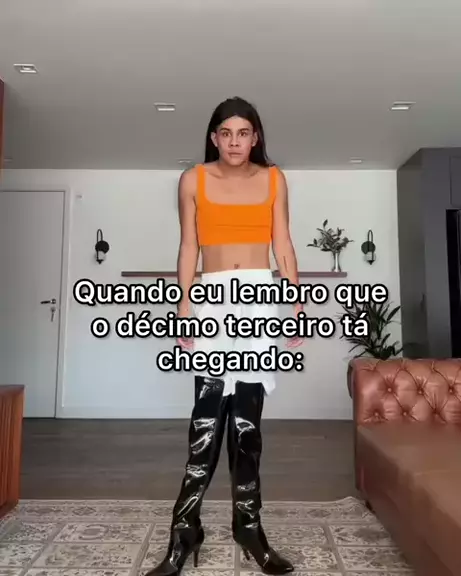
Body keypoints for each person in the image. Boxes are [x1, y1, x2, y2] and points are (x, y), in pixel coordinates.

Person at [146, 97, 302, 576]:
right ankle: (184, 530)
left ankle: (248, 525)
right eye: (226, 133)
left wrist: (296, 304)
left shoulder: (274, 179)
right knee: (207, 421)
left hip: (258, 301)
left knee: (247, 424)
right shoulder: (193, 179)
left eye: (243, 133)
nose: (235, 142)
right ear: (214, 137)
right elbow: (188, 246)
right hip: (212, 301)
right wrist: (183, 308)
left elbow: (282, 243)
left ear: (256, 137)